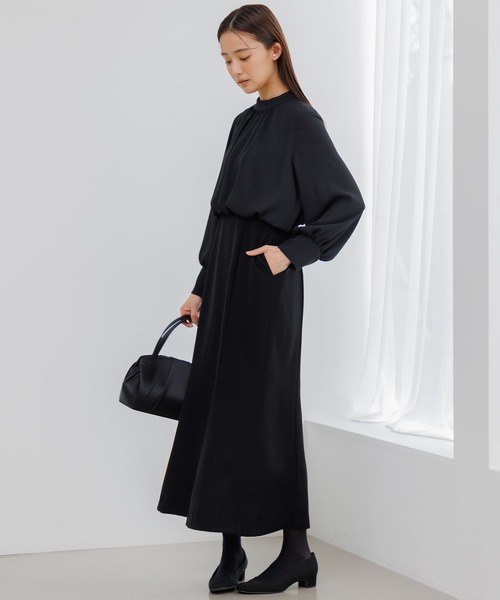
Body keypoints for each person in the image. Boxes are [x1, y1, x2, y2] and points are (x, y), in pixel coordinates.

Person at [157, 4, 365, 595]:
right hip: (225, 277)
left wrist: (291, 252)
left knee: (265, 412)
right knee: (220, 408)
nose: (235, 69)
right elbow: (220, 212)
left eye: (243, 56)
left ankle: (297, 551)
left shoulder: (301, 121)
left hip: (264, 282)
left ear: (275, 49)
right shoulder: (243, 123)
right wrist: (201, 286)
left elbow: (345, 202)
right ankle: (232, 553)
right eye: (226, 60)